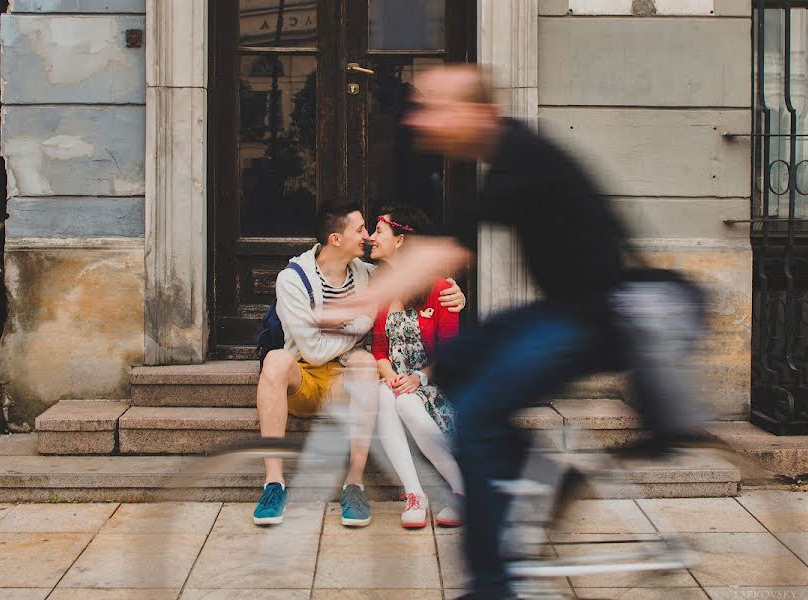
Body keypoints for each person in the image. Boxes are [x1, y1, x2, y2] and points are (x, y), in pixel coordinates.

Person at [319, 66, 707, 598]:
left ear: (476, 113)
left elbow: (445, 249)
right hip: (569, 309)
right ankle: (527, 468)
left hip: (603, 316)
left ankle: (491, 585)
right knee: (456, 365)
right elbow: (452, 241)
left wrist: (361, 299)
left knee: (474, 418)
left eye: (435, 106)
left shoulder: (521, 156)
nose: (421, 117)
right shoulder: (499, 159)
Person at [252, 203, 467, 528]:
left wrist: (456, 295)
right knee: (275, 360)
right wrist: (362, 324)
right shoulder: (293, 279)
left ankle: (355, 485)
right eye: (361, 230)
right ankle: (273, 484)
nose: (368, 236)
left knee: (372, 371)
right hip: (307, 375)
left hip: (360, 381)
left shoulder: (372, 276)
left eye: (374, 229)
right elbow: (314, 350)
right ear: (336, 239)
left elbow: (421, 293)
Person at [368, 206, 464, 529]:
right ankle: (414, 495)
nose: (370, 237)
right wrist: (391, 376)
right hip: (400, 385)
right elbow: (379, 349)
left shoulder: (440, 291)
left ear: (401, 240)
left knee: (405, 400)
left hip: (435, 388)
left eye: (379, 231)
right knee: (385, 394)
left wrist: (419, 377)